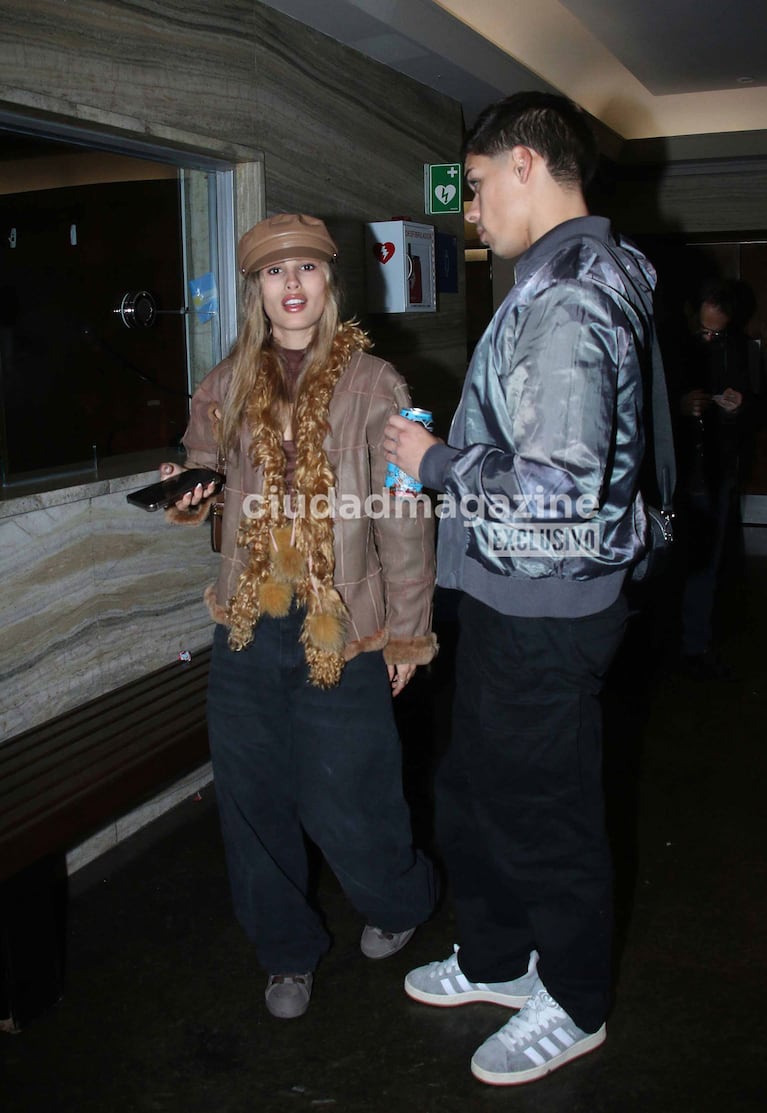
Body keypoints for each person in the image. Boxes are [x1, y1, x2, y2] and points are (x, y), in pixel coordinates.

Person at [384, 92, 655, 1085]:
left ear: (526, 162)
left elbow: (559, 492)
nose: (470, 209)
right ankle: (500, 960)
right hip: (513, 599)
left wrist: (436, 463)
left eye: (478, 183)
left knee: (545, 812)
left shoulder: (567, 298)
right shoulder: (565, 282)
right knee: (477, 792)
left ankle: (574, 1001)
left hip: (543, 606)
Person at [163, 213, 438, 1019]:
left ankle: (402, 896)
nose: (291, 285)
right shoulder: (225, 382)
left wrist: (407, 635)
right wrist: (186, 484)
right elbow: (201, 463)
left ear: (328, 282)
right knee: (251, 800)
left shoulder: (376, 384)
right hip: (247, 623)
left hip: (344, 621)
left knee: (350, 801)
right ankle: (285, 953)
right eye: (274, 273)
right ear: (255, 290)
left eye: (306, 270)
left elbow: (403, 516)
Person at [662, 279, 754, 679]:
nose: (708, 336)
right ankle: (662, 645)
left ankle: (695, 646)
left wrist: (739, 408)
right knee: (665, 564)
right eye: (702, 327)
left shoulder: (742, 352)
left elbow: (757, 408)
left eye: (716, 330)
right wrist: (679, 406)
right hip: (673, 474)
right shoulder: (670, 348)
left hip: (715, 471)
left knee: (707, 566)